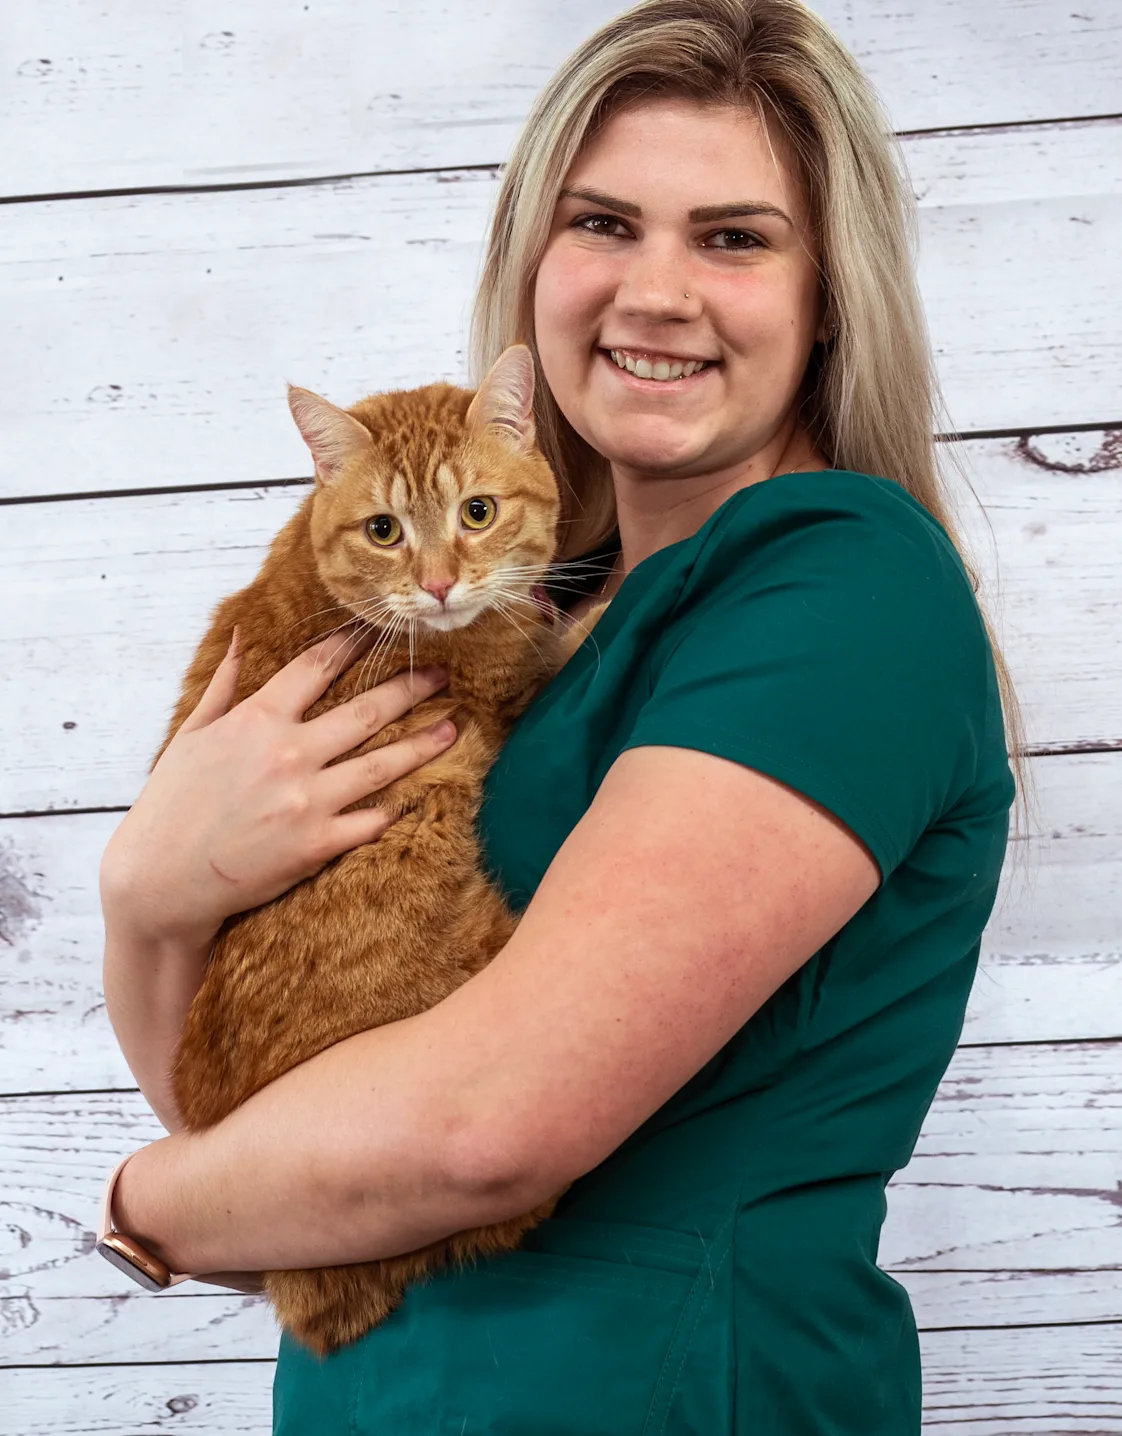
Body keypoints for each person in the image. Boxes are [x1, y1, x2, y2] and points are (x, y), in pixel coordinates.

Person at [98, 0, 1021, 1430]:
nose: (655, 292)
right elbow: (249, 1118)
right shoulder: (524, 628)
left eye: (733, 237)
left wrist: (134, 1210)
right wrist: (150, 899)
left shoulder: (837, 582)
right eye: (601, 224)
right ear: (533, 261)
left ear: (831, 292)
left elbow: (478, 1136)